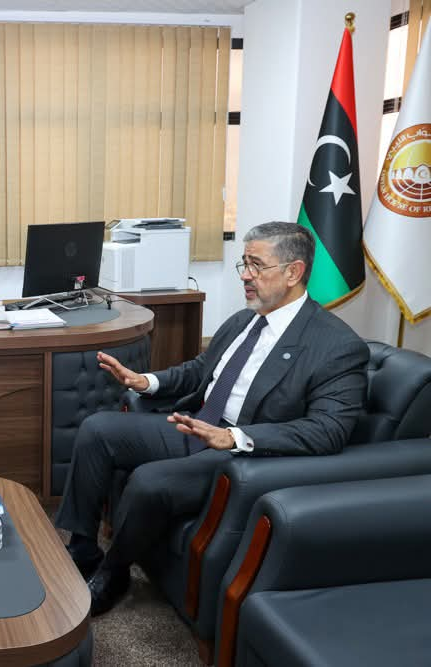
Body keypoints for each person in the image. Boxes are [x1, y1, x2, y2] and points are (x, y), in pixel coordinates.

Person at [54, 222, 369, 616]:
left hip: (241, 454)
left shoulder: (337, 346)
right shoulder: (244, 320)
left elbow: (328, 431)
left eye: (256, 265)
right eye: (244, 264)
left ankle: (114, 573)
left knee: (149, 481)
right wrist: (146, 381)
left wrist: (235, 438)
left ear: (294, 272)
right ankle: (83, 547)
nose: (245, 276)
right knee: (97, 428)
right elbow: (202, 370)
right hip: (198, 425)